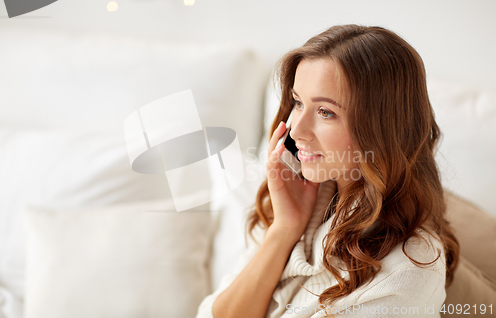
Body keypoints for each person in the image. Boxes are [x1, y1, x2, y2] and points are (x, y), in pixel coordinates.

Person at [195, 24, 459, 318]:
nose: (297, 130)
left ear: (383, 129)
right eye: (298, 102)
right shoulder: (311, 204)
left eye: (326, 112)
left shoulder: (408, 270)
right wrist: (284, 229)